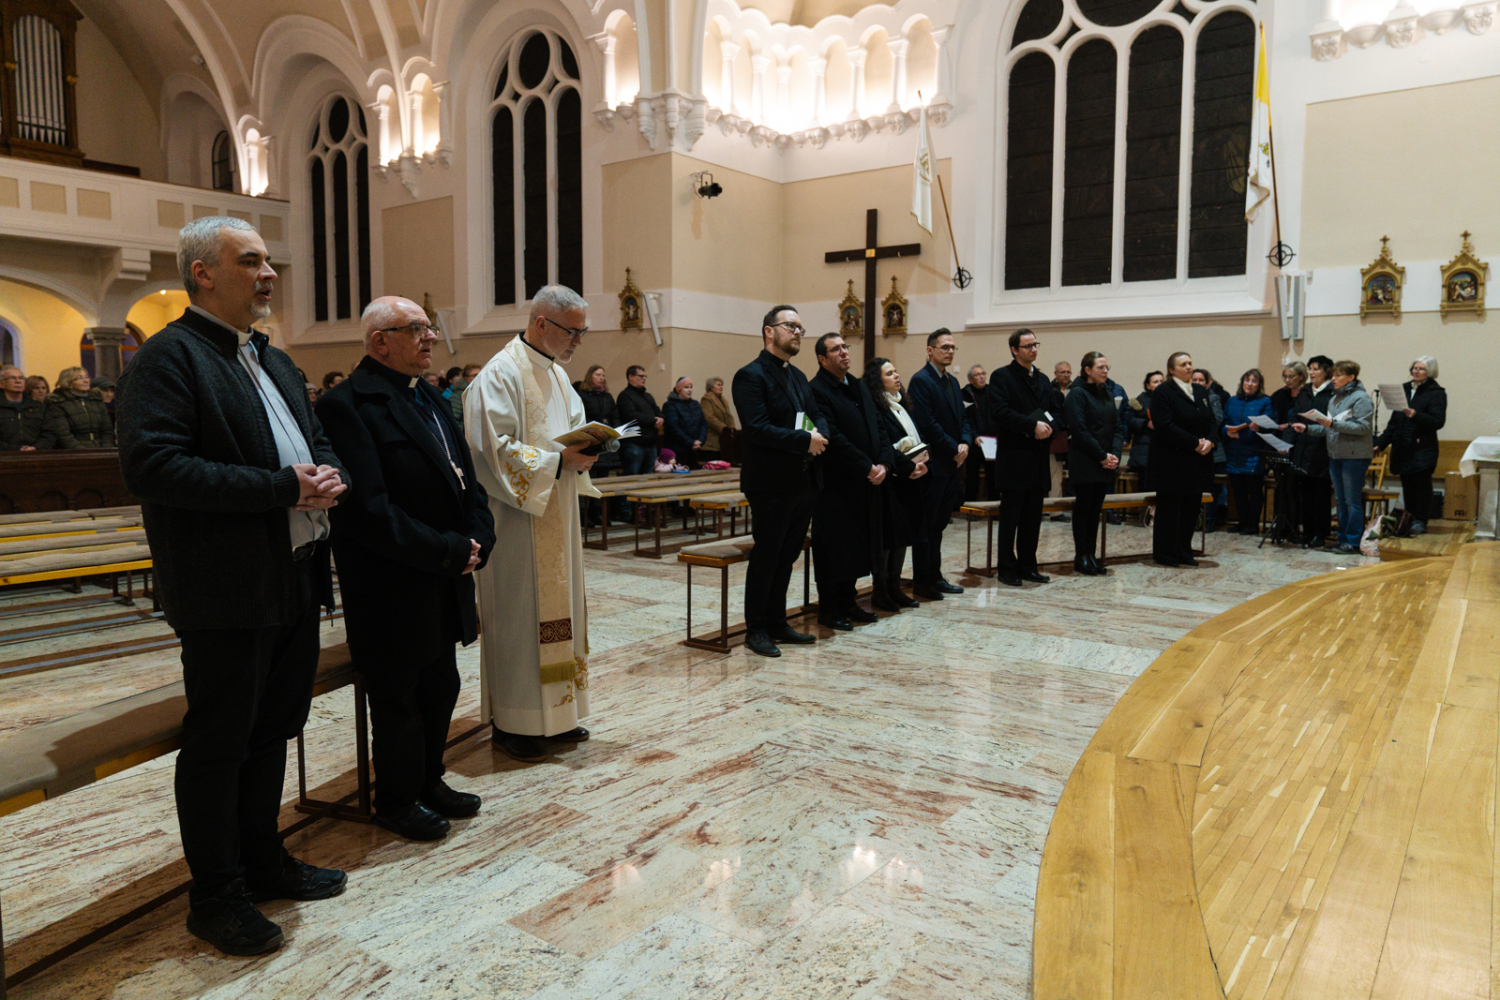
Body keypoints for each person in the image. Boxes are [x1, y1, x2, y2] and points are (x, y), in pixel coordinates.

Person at [116, 216, 349, 957]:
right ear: (202, 273)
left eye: (268, 260)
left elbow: (311, 442)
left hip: (293, 576)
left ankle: (263, 859)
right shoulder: (169, 358)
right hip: (224, 588)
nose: (268, 272)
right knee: (220, 745)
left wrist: (326, 470)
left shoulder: (270, 359)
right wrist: (282, 487)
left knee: (274, 729)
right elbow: (153, 467)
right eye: (250, 261)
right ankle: (214, 895)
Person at [316, 297, 496, 842]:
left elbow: (468, 480)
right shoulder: (347, 405)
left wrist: (478, 538)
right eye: (415, 329)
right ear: (379, 342)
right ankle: (395, 799)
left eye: (429, 327)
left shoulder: (432, 398)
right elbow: (367, 511)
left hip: (443, 573)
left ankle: (429, 779)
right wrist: (448, 549)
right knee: (398, 697)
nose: (430, 338)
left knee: (440, 684)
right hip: (391, 583)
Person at [465, 285, 600, 761]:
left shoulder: (559, 378)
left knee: (563, 617)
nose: (577, 341)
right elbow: (490, 449)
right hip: (517, 523)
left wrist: (586, 452)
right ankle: (515, 721)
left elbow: (571, 435)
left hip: (557, 513)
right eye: (571, 331)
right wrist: (557, 462)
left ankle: (558, 716)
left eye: (583, 331)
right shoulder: (500, 374)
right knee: (520, 619)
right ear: (541, 322)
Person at [732, 304, 828, 658]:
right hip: (771, 483)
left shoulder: (799, 376)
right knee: (767, 556)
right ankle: (755, 629)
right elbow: (756, 429)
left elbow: (817, 416)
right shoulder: (750, 375)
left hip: (804, 480)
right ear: (769, 331)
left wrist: (821, 436)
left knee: (787, 556)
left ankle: (777, 621)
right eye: (791, 326)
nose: (798, 332)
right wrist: (806, 441)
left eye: (801, 327)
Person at [809, 333, 892, 630]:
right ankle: (829, 609)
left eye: (845, 347)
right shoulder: (817, 389)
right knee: (836, 548)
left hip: (866, 481)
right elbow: (832, 438)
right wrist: (865, 467)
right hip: (837, 485)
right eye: (835, 349)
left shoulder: (857, 386)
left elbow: (879, 427)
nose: (844, 352)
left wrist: (884, 462)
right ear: (822, 358)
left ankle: (848, 601)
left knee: (858, 546)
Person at [981, 328, 1058, 587]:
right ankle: (1007, 568)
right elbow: (999, 412)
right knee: (1011, 517)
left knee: (1032, 518)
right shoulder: (1002, 376)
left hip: (1037, 457)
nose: (1033, 349)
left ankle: (1028, 565)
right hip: (1014, 457)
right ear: (1015, 350)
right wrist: (1031, 426)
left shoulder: (1044, 379)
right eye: (1027, 346)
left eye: (1036, 344)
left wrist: (1049, 427)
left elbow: (1053, 412)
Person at [906, 328, 970, 599]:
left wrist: (965, 441)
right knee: (927, 525)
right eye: (944, 347)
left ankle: (936, 575)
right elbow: (926, 423)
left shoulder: (953, 382)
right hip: (934, 464)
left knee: (941, 524)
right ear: (930, 350)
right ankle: (922, 581)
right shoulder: (921, 381)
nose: (950, 351)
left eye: (953, 347)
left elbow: (963, 419)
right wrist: (952, 447)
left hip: (953, 463)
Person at [1292, 359, 1373, 554]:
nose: (1333, 379)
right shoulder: (1334, 399)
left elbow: (1363, 428)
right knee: (1340, 500)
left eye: (1338, 375)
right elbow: (1329, 427)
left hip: (1354, 456)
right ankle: (1342, 538)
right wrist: (1308, 428)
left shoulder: (1361, 398)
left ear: (1351, 377)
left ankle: (1352, 541)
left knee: (1352, 501)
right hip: (1335, 454)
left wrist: (1332, 425)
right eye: (1333, 375)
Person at [864, 357, 927, 611]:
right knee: (889, 538)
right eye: (890, 374)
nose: (897, 376)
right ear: (877, 381)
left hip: (909, 479)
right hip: (890, 481)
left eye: (896, 371)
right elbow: (884, 445)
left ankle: (895, 586)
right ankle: (881, 590)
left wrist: (919, 462)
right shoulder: (877, 408)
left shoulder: (901, 405)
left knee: (903, 536)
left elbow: (912, 440)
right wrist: (909, 466)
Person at [1149, 351, 1216, 566]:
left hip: (1196, 461)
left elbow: (1212, 421)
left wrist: (1210, 441)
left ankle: (1185, 551)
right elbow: (1165, 425)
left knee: (1190, 509)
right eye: (1183, 364)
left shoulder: (1200, 391)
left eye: (1190, 363)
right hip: (1172, 460)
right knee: (1170, 510)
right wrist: (1194, 442)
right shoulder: (1163, 392)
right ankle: (1167, 553)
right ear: (1171, 369)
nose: (1188, 367)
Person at [1064, 352, 1123, 575]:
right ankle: (1081, 557)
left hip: (1105, 462)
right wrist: (1101, 455)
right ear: (1087, 370)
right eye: (1101, 367)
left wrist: (1114, 455)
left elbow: (1117, 427)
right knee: (1084, 509)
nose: (1106, 371)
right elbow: (1079, 430)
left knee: (1095, 510)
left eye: (1107, 367)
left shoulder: (1106, 393)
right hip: (1086, 461)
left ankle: (1092, 555)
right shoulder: (1077, 394)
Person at [1374, 355, 1446, 535]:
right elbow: (1394, 423)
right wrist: (1380, 444)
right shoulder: (1404, 390)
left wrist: (1416, 415)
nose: (1416, 371)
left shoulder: (1436, 393)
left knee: (1421, 486)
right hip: (1403, 447)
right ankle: (1409, 518)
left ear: (1430, 372)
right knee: (1407, 485)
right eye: (1414, 368)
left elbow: (1438, 421)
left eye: (1421, 369)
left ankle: (1420, 520)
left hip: (1422, 448)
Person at [1223, 369, 1272, 535]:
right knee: (1238, 492)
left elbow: (1266, 426)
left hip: (1253, 453)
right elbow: (1222, 422)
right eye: (1247, 380)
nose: (1249, 384)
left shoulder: (1265, 401)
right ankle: (1241, 522)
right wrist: (1227, 432)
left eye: (1254, 381)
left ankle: (1252, 524)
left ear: (1259, 385)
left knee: (1254, 491)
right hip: (1233, 453)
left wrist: (1241, 436)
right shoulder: (1232, 400)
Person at [1268, 362, 1314, 542]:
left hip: (1299, 445)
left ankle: (1292, 527)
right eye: (1285, 377)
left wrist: (1290, 426)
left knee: (1293, 489)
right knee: (1281, 488)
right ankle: (1280, 527)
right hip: (1279, 443)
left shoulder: (1307, 395)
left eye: (1291, 377)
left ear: (1301, 377)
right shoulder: (1280, 395)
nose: (1287, 380)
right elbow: (1274, 416)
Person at [1293, 356, 1336, 547]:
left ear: (1326, 372)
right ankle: (1308, 531)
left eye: (1316, 369)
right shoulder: (1305, 393)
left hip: (1322, 450)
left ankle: (1320, 533)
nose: (1311, 372)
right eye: (1310, 368)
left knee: (1321, 495)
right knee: (1306, 495)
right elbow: (1296, 417)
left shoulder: (1332, 394)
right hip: (1303, 449)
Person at [43, 366, 115, 448]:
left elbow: (107, 430)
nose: (86, 381)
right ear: (68, 383)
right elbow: (63, 434)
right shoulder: (58, 402)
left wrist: (106, 449)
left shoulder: (96, 400)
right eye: (80, 378)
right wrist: (83, 453)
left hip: (100, 450)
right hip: (75, 453)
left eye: (87, 377)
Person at [1192, 369, 1228, 531]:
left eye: (1201, 380)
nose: (1197, 383)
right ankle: (1195, 521)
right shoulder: (1187, 397)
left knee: (1212, 489)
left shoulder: (1212, 397)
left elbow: (1218, 419)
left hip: (1212, 450)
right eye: (1195, 380)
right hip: (1193, 448)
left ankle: (1209, 520)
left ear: (1208, 383)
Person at [616, 364, 664, 477]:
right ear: (630, 377)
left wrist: (661, 419)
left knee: (647, 478)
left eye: (645, 376)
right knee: (631, 477)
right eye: (640, 376)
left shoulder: (648, 396)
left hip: (650, 445)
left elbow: (658, 411)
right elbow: (631, 415)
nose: (644, 379)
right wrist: (653, 421)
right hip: (634, 444)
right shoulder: (625, 396)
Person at [1126, 371, 1162, 491]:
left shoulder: (1168, 399)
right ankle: (1144, 510)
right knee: (1145, 486)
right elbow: (1130, 419)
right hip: (1144, 449)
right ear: (1148, 385)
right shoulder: (1140, 400)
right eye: (1155, 382)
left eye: (1161, 381)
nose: (1159, 384)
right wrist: (1146, 424)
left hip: (1162, 448)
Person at [663, 376, 709, 468]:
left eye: (691, 387)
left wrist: (700, 440)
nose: (689, 390)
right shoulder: (670, 405)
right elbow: (673, 428)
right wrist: (691, 442)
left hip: (694, 449)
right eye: (686, 387)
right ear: (679, 390)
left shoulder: (695, 404)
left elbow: (703, 424)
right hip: (678, 450)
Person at [1047, 360, 1072, 522]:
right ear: (1055, 374)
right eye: (1062, 372)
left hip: (1074, 438)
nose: (1065, 375)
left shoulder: (1077, 389)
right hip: (1055, 437)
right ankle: (1053, 510)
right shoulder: (1049, 390)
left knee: (1062, 475)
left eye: (1068, 372)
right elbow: (1047, 412)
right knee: (1054, 474)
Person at [961, 364, 991, 501]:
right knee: (972, 476)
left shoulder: (991, 391)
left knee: (993, 475)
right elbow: (965, 419)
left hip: (991, 441)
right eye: (977, 375)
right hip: (974, 442)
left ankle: (995, 507)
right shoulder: (965, 394)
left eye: (983, 374)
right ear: (970, 379)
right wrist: (974, 436)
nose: (982, 377)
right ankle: (971, 507)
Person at [0, 366, 46, 450]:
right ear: (2, 384)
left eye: (21, 378)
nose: (18, 381)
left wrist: (36, 447)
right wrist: (15, 449)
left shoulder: (38, 407)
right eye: (12, 378)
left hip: (36, 454)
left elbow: (50, 432)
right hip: (5, 456)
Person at [700, 375, 734, 464]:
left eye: (721, 385)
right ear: (711, 387)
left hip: (723, 439)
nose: (721, 387)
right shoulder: (707, 399)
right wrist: (723, 428)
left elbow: (729, 415)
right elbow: (708, 417)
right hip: (712, 438)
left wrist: (731, 427)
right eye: (718, 385)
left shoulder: (723, 400)